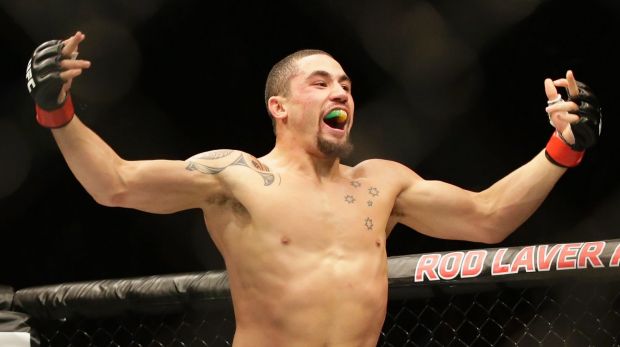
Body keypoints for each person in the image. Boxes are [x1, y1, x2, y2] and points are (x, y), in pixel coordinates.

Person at [26, 31, 602, 347]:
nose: (341, 93)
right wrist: (58, 111)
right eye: (320, 82)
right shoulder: (237, 176)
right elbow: (117, 183)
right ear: (279, 106)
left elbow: (487, 217)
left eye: (347, 85)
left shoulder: (383, 183)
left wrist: (563, 150)